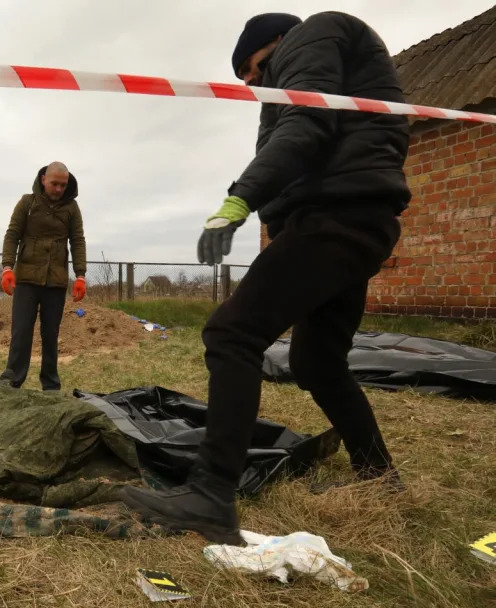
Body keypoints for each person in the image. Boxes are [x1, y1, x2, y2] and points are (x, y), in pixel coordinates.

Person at [123, 12, 411, 544]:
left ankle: (210, 494)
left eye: (252, 69)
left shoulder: (315, 34)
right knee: (316, 362)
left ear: (276, 42)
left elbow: (307, 129)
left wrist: (237, 201)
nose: (252, 84)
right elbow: (287, 157)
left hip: (340, 217)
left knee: (231, 333)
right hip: (351, 220)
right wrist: (272, 224)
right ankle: (380, 478)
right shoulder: (297, 85)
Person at [0, 162, 87, 392]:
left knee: (51, 334)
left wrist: (81, 275)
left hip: (55, 281)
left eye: (63, 185)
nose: (58, 189)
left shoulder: (72, 208)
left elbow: (77, 240)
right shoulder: (27, 203)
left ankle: (50, 385)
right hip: (26, 279)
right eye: (54, 184)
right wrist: (7, 268)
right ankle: (12, 381)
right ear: (43, 179)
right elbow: (12, 235)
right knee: (21, 331)